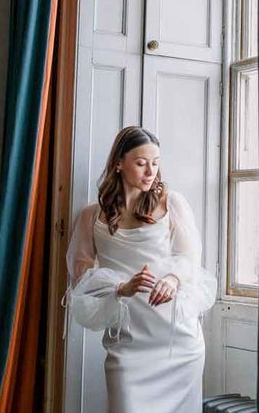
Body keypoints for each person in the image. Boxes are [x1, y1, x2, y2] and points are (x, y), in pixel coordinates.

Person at [65, 126, 216, 413]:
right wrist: (121, 288)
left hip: (177, 341)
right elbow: (81, 276)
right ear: (119, 163)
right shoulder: (90, 215)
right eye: (141, 163)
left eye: (156, 163)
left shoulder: (172, 204)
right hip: (129, 341)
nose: (151, 172)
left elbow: (190, 255)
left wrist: (172, 279)